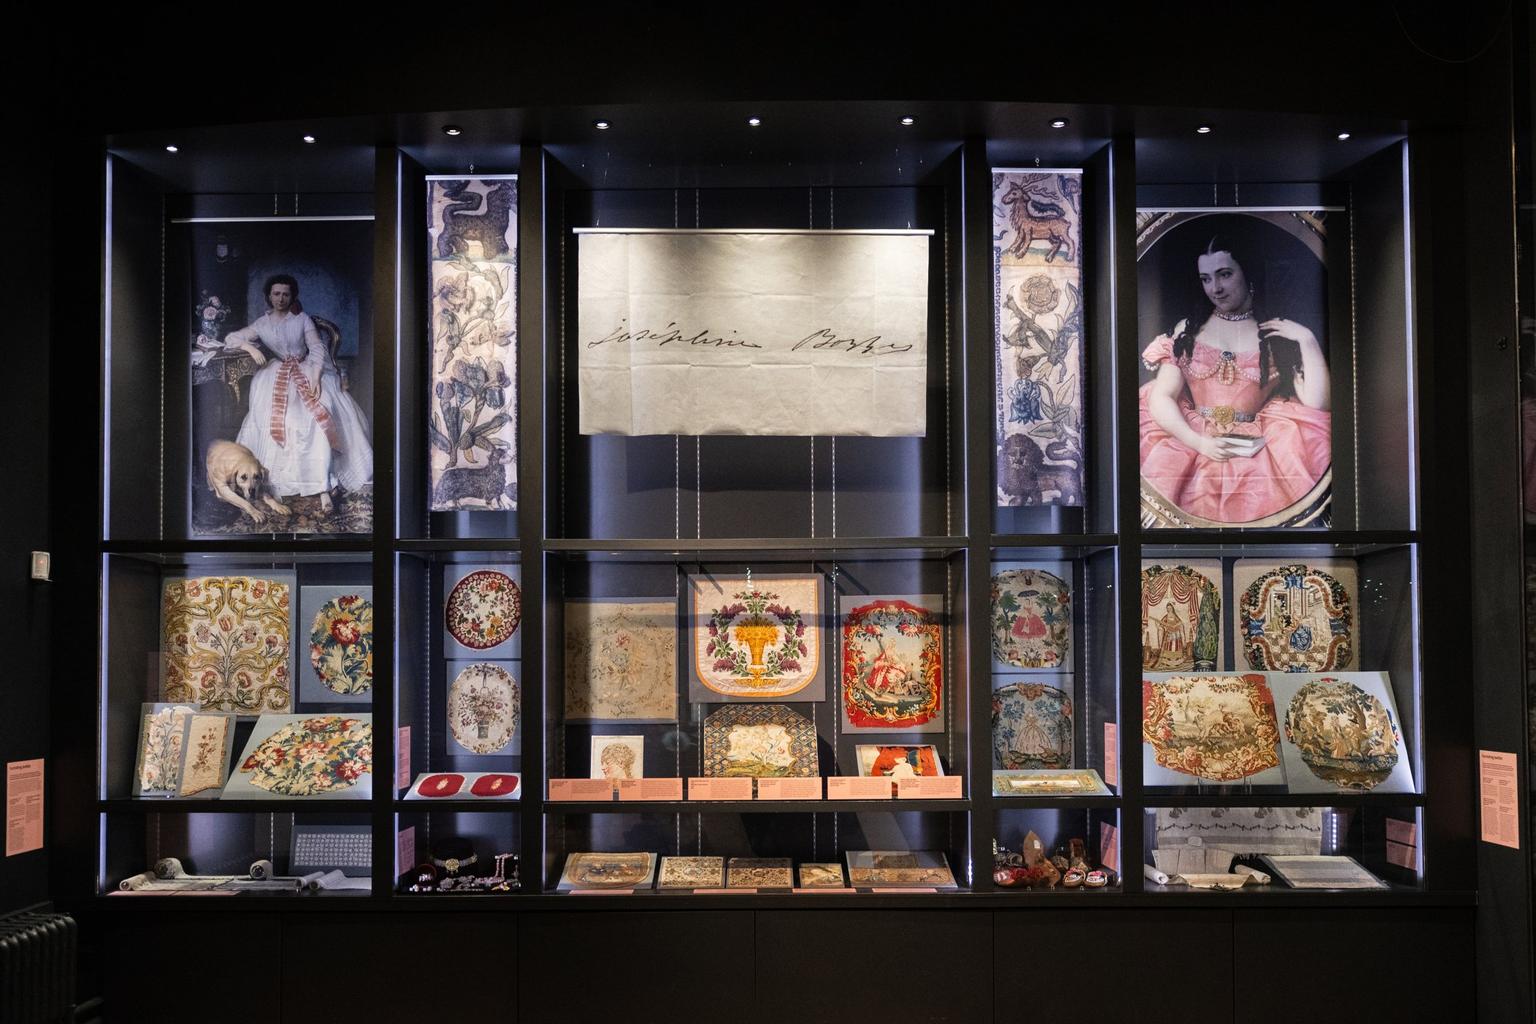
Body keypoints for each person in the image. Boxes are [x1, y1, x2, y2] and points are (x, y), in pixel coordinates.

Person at [1139, 224, 1330, 524]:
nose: (1215, 288)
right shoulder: (1188, 329)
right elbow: (1162, 396)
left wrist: (1307, 339)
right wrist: (1199, 442)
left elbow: (1316, 404)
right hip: (1191, 442)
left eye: (1225, 274)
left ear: (1247, 271)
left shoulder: (1275, 334)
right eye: (1206, 278)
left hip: (1256, 449)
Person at [222, 274, 373, 508]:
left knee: (318, 414)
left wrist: (315, 377)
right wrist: (247, 346)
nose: (280, 299)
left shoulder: (301, 319)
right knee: (282, 417)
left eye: (285, 294)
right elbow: (231, 338)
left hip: (306, 370)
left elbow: (316, 348)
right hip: (277, 373)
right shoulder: (262, 323)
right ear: (269, 297)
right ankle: (284, 479)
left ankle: (322, 482)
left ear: (292, 296)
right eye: (276, 294)